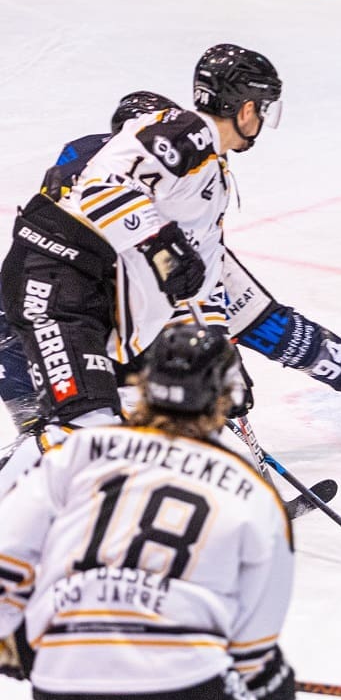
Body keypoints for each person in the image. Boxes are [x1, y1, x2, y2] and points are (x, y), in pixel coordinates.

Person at [0, 86, 341, 443]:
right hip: (110, 277)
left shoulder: (189, 159)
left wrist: (218, 348)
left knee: (268, 326)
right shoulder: (94, 157)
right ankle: (38, 429)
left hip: (180, 259)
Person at [0, 323, 295, 700]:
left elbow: (8, 553)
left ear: (144, 384)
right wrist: (263, 674)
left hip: (68, 681)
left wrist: (16, 641)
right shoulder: (248, 488)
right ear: (222, 396)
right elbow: (257, 623)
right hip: (181, 683)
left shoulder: (77, 452)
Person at [0, 45, 278, 440]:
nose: (263, 120)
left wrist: (218, 354)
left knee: (124, 429)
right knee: (85, 429)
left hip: (96, 300)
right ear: (247, 109)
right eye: (264, 109)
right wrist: (159, 242)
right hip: (54, 280)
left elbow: (196, 283)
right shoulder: (185, 131)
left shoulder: (211, 174)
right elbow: (100, 189)